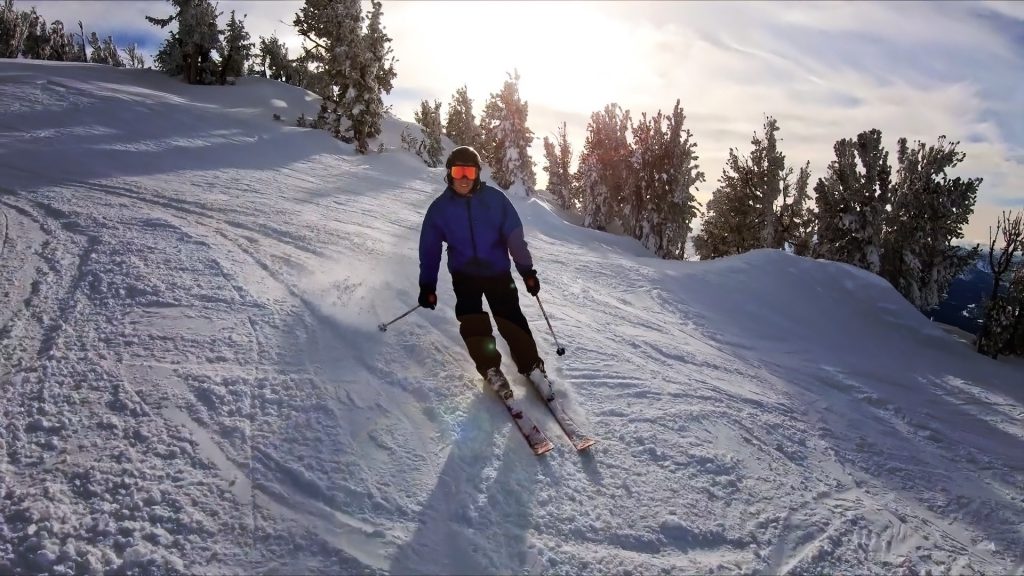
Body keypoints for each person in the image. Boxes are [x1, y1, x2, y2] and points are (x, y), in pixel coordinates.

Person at [418, 146, 545, 402]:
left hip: (497, 272)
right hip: (464, 276)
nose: (463, 178)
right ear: (449, 174)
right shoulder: (440, 209)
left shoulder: (495, 201)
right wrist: (427, 285)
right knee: (473, 322)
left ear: (477, 174)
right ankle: (491, 368)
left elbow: (515, 239)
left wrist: (527, 271)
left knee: (511, 319)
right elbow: (429, 249)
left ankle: (531, 365)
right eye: (458, 171)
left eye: (469, 171)